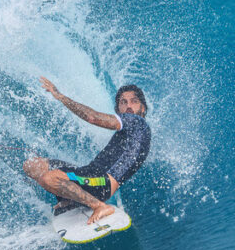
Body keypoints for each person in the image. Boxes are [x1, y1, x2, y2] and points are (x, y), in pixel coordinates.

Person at [24, 78, 151, 224]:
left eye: (134, 101)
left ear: (143, 108)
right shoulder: (127, 130)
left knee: (49, 179)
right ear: (118, 110)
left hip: (103, 182)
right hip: (89, 174)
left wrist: (60, 96)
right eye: (123, 102)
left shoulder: (137, 123)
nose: (128, 106)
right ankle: (72, 199)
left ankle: (99, 206)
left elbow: (92, 118)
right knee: (32, 165)